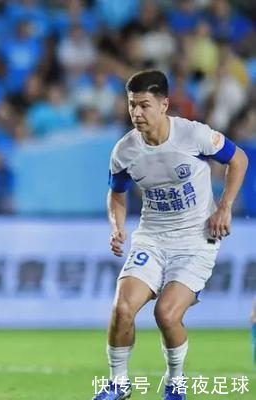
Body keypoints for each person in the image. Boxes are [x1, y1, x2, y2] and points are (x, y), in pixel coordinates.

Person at [93, 70, 248, 400]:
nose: (136, 113)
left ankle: (175, 383)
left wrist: (225, 207)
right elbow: (116, 194)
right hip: (152, 238)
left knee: (166, 314)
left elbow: (239, 159)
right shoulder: (125, 151)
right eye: (132, 105)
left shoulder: (193, 135)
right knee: (122, 309)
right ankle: (118, 384)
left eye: (144, 105)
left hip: (196, 239)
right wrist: (116, 226)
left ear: (164, 105)